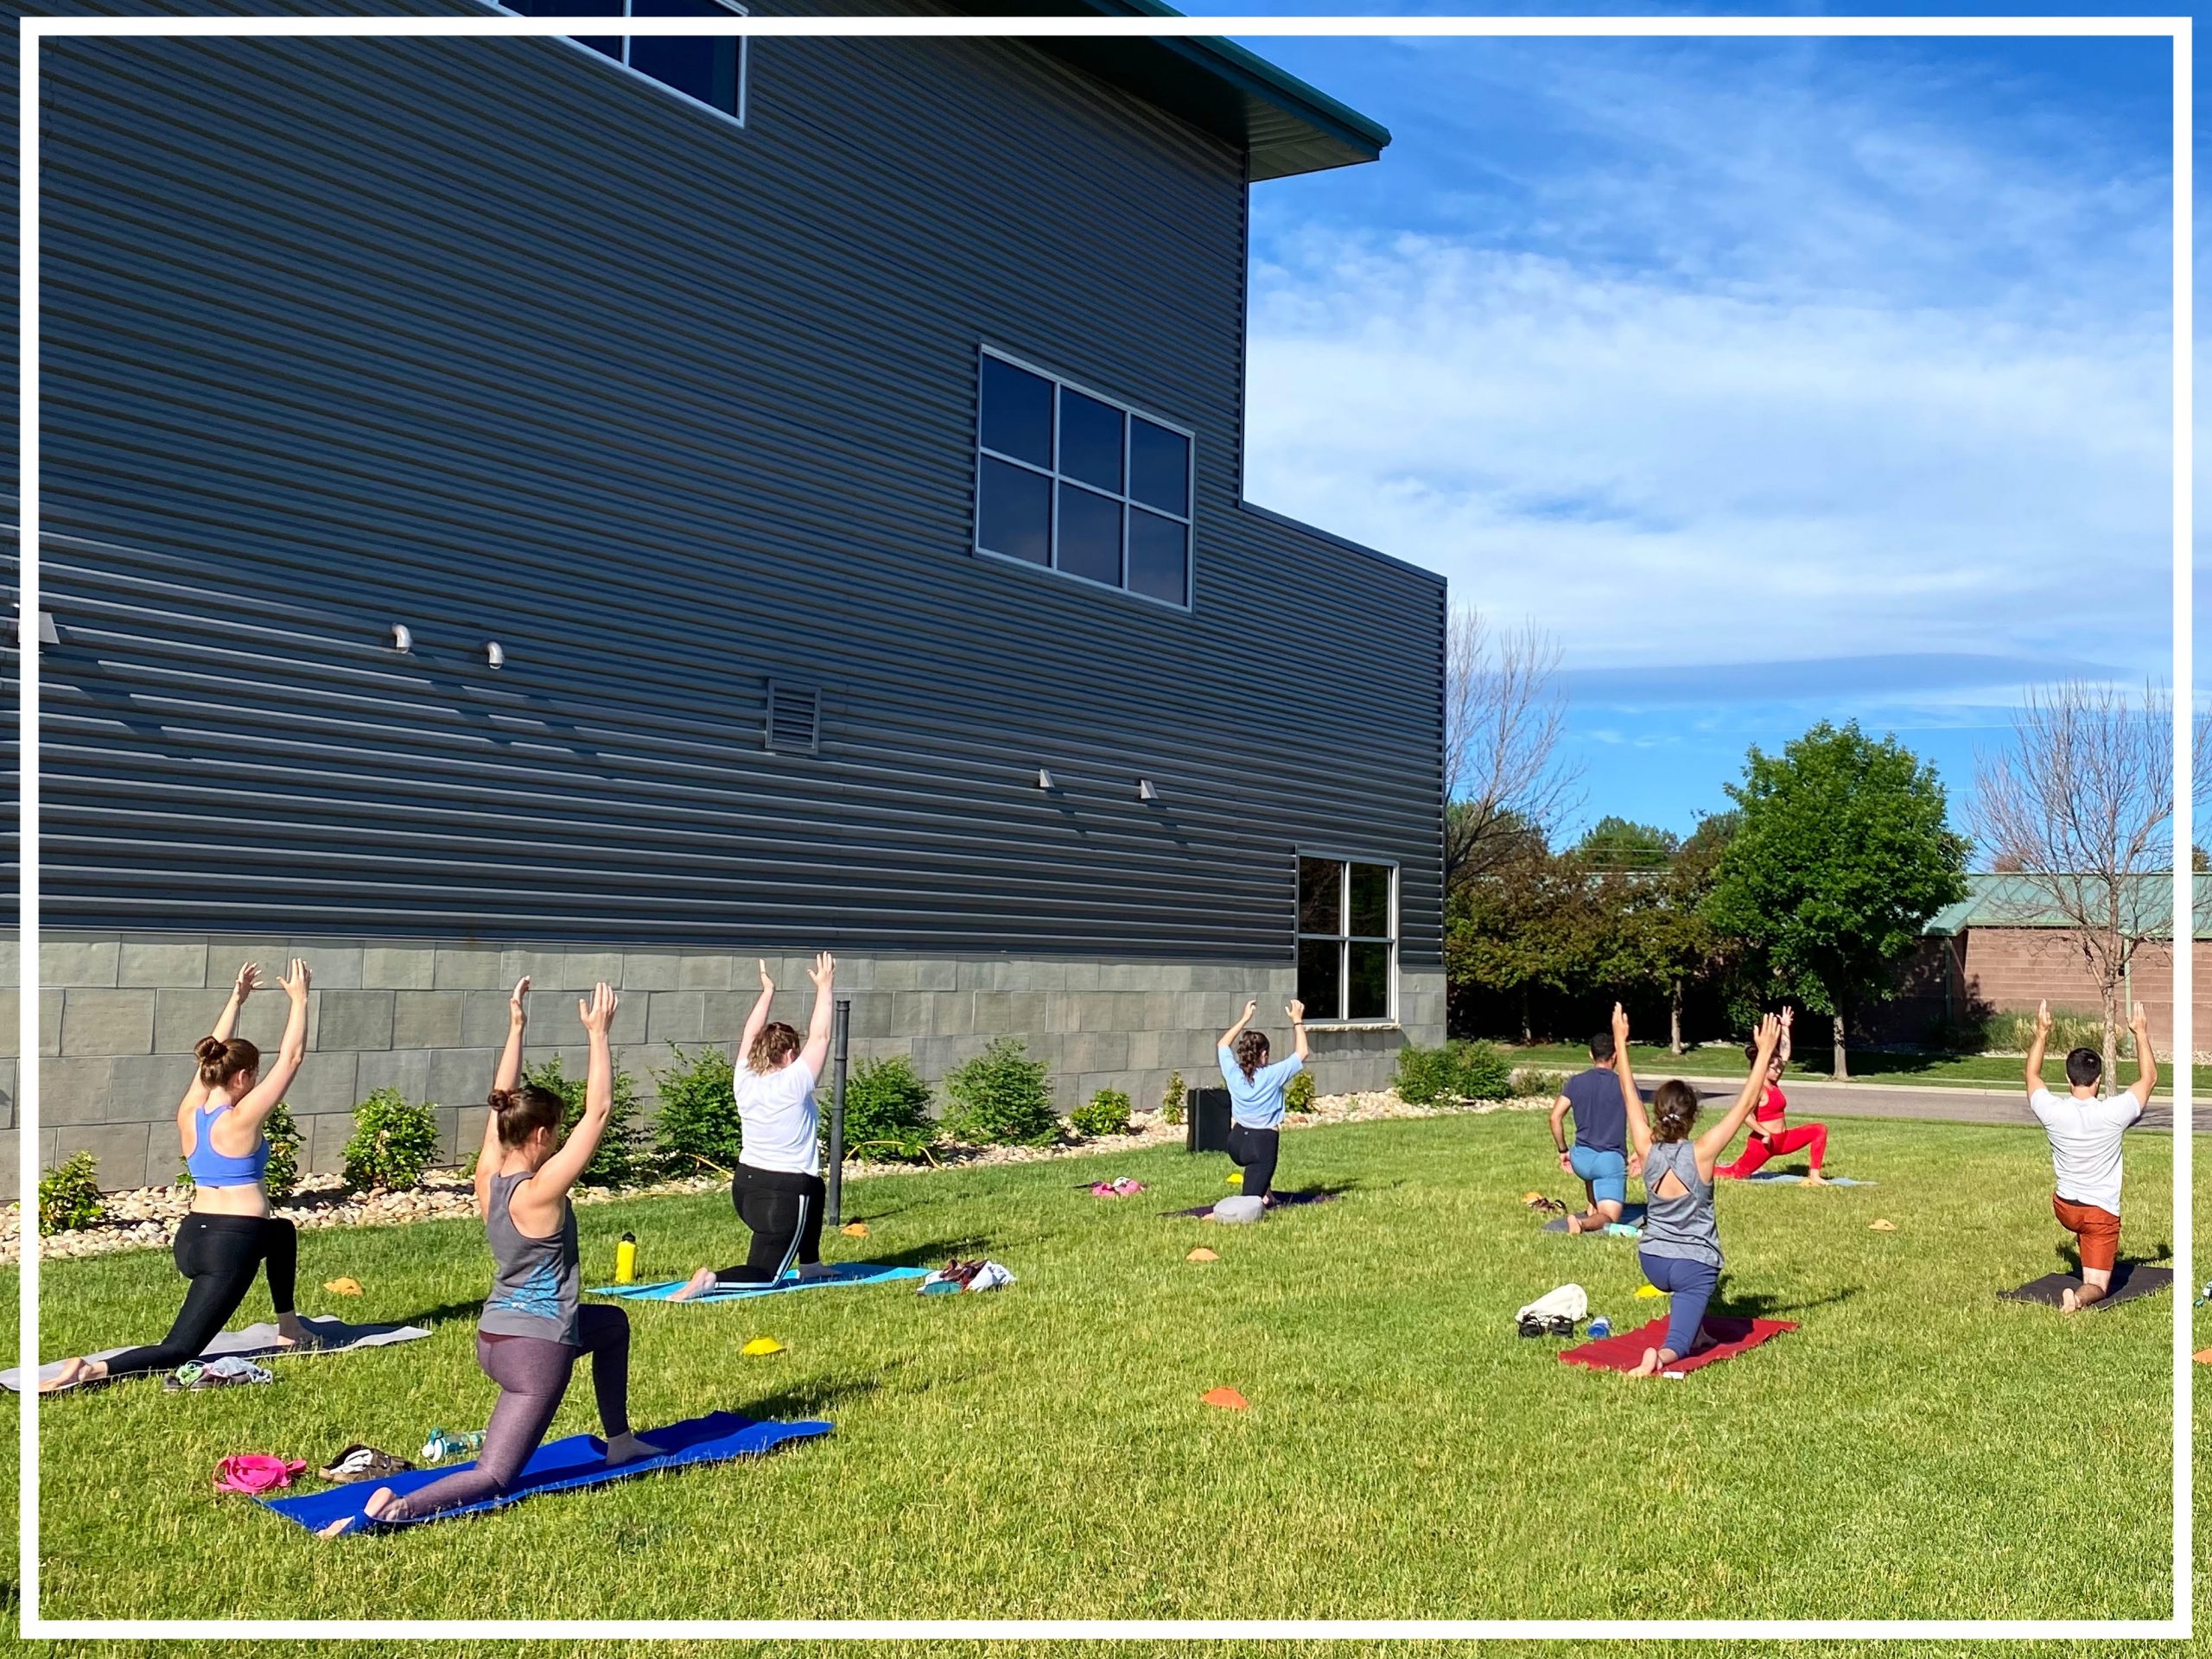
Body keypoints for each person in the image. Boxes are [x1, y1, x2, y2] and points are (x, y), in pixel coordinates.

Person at [327, 980, 658, 1533]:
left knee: (613, 1324)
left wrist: (516, 1028)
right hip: (536, 1355)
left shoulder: (489, 1179)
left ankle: (620, 1441)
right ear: (544, 1134)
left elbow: (497, 1103)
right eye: (554, 1134)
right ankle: (394, 1510)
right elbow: (598, 1113)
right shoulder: (540, 1192)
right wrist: (598, 1035)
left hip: (494, 1340)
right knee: (495, 1476)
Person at [42, 960, 315, 1392]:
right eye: (255, 1076)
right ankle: (91, 1370)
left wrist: (236, 999)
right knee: (181, 1349)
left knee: (281, 1231)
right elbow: (293, 1057)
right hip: (230, 1247)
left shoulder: (190, 1112)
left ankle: (289, 1326)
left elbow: (212, 1050)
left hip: (192, 1239)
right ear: (243, 1077)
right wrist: (299, 1001)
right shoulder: (242, 1120)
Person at [1611, 1002, 1783, 1379]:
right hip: (1693, 1265)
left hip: (1652, 1260)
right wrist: (1766, 1052)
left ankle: (1700, 1329)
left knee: (1692, 1306)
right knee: (1677, 1342)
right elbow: (1745, 1104)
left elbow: (1628, 1095)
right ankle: (1656, 1359)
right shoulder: (1702, 1153)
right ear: (1693, 1117)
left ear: (1658, 1114)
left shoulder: (1646, 1147)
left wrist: (1621, 1043)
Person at [672, 954, 839, 1300]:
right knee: (767, 1276)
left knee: (817, 1188)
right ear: (791, 1054)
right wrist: (825, 986)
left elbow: (749, 1033)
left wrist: (768, 991)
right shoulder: (796, 1081)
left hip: (746, 1186)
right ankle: (710, 1280)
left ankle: (810, 1263)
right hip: (784, 1194)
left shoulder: (744, 1077)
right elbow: (821, 1036)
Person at [2026, 998, 2154, 1313]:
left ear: (2069, 1080)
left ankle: (2082, 1265)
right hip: (2099, 1215)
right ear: (2098, 1080)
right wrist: (2140, 1033)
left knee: (2083, 1226)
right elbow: (2149, 1079)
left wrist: (2041, 1033)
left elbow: (2032, 1076)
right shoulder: (2113, 1112)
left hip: (2065, 1208)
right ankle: (2078, 1299)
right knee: (2097, 1285)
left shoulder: (2051, 1109)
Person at [1716, 1007, 1829, 1184]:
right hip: (1763, 1144)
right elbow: (1745, 1115)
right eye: (1773, 1068)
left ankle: (1815, 1175)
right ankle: (1701, 1166)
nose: (1778, 1070)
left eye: (1778, 1068)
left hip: (1783, 1140)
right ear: (1761, 1065)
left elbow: (1784, 1054)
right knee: (1735, 1173)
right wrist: (1764, 1133)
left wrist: (1785, 1028)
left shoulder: (1773, 1083)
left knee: (1819, 1130)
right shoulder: (1757, 1087)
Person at [1215, 998, 1309, 1206]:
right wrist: (1297, 1021)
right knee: (1249, 1205)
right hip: (1261, 1147)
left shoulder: (1233, 1072)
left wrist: (1244, 1019)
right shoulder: (1273, 1074)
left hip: (1236, 1143)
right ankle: (1259, 1195)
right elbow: (1302, 1052)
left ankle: (1268, 1193)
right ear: (1264, 1055)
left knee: (1261, 1183)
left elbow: (1222, 1044)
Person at [1548, 1027, 1635, 1233]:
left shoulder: (1576, 1082)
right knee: (1609, 1217)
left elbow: (1555, 1117)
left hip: (1581, 1160)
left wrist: (1563, 1151)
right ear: (1615, 1056)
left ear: (1590, 1055)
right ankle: (1582, 1223)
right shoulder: (1623, 1084)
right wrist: (1640, 1153)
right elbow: (1640, 1119)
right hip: (1609, 1161)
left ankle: (1592, 1206)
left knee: (1592, 1172)